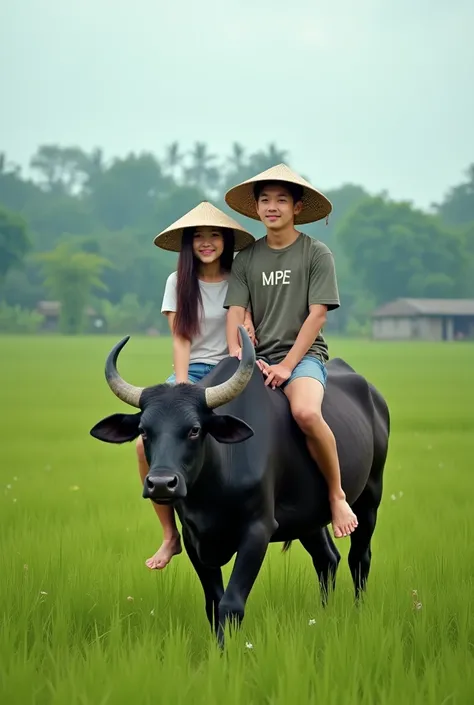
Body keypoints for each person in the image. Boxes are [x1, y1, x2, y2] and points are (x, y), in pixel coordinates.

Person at [224, 164, 358, 539]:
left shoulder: (315, 253)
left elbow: (317, 316)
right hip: (256, 359)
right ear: (256, 208)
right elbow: (236, 311)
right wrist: (237, 351)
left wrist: (286, 365)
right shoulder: (247, 258)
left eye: (281, 200)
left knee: (305, 413)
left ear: (297, 208)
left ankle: (336, 494)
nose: (272, 207)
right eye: (265, 200)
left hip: (302, 358)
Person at [137, 201, 256, 569]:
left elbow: (245, 326)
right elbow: (180, 338)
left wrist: (239, 360)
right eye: (198, 237)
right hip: (189, 371)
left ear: (225, 241)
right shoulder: (178, 282)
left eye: (214, 236)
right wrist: (184, 383)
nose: (206, 243)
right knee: (143, 448)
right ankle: (171, 535)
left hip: (231, 369)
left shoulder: (240, 276)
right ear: (188, 244)